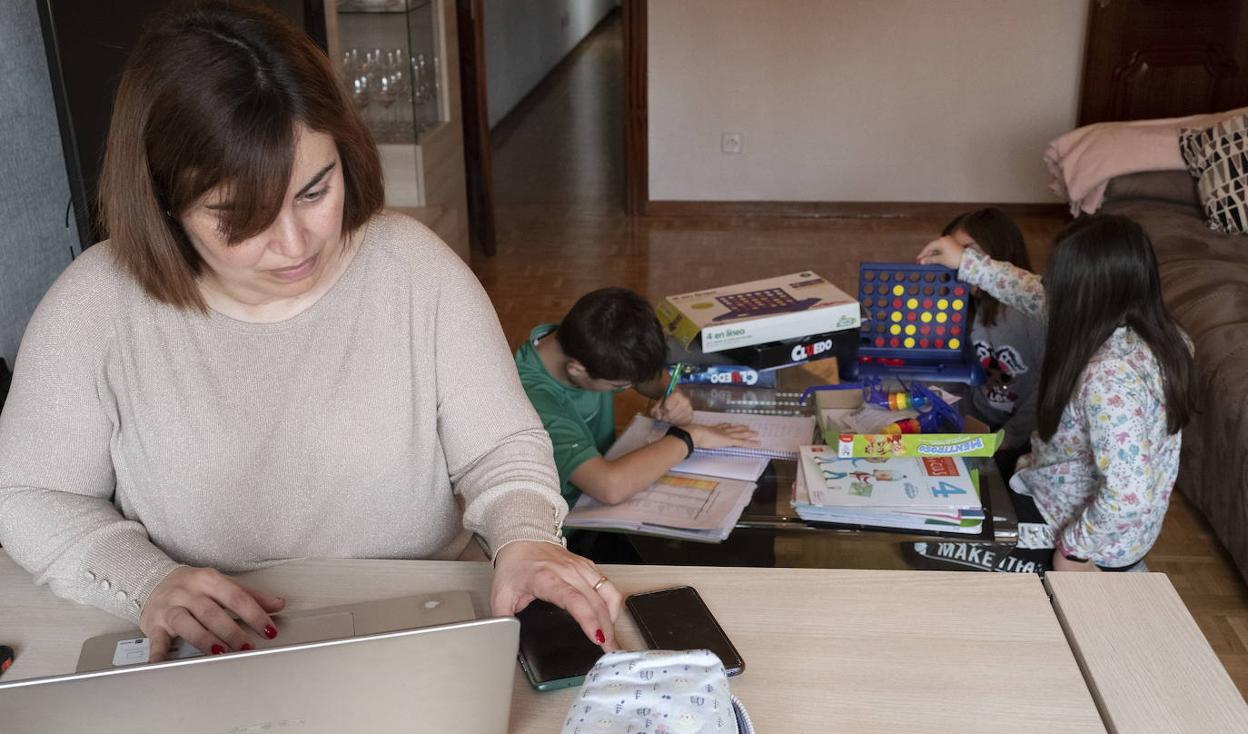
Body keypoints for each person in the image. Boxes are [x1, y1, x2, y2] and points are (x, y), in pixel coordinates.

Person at [0, 0, 621, 660]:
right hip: (210, 647)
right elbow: (30, 494)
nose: (295, 244)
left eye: (314, 191)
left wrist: (526, 538)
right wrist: (146, 580)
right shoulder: (97, 306)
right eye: (239, 217)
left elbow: (500, 446)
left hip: (415, 622)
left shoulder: (414, 268)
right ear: (164, 204)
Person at [917, 214, 1195, 571]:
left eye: (1055, 283)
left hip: (1076, 536)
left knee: (924, 542)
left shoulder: (1108, 377)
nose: (1046, 289)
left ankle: (1098, 581)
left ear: (1082, 294)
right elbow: (1030, 292)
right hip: (1062, 492)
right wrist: (968, 262)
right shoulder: (1161, 336)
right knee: (962, 476)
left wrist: (1074, 551)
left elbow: (1129, 496)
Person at [514, 288, 757, 509]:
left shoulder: (584, 336)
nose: (631, 387)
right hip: (564, 523)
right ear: (577, 369)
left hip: (602, 482)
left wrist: (669, 392)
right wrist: (690, 437)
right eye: (620, 385)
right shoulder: (533, 402)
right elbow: (610, 487)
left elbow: (646, 377)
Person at [940, 208, 1045, 477]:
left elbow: (1046, 392)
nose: (959, 263)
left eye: (968, 252)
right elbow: (959, 379)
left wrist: (1007, 439)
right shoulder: (966, 308)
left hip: (1022, 439)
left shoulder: (1031, 314)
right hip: (981, 427)